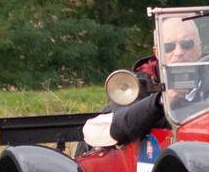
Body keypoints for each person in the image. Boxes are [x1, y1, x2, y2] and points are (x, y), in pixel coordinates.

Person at [80, 15, 202, 151]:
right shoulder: (140, 84)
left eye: (187, 45)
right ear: (157, 52)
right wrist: (162, 100)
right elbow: (119, 128)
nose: (179, 52)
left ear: (199, 48)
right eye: (169, 47)